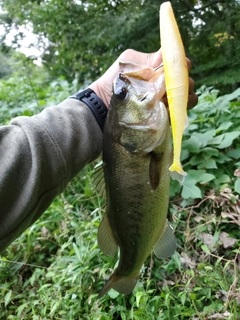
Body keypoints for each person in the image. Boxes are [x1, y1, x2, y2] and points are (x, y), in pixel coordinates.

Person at [0, 49, 198, 254]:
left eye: (121, 94)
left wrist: (101, 99)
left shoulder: (140, 142)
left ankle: (130, 263)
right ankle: (130, 265)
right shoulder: (141, 143)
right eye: (121, 94)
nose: (123, 87)